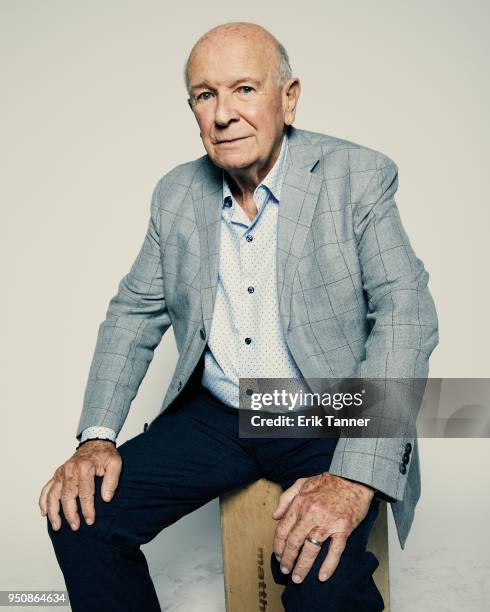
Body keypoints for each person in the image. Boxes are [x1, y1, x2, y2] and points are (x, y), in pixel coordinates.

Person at [39, 21, 438, 612]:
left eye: (245, 89)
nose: (224, 113)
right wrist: (97, 436)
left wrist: (356, 477)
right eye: (206, 95)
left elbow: (407, 316)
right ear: (194, 109)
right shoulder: (175, 193)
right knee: (82, 517)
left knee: (318, 578)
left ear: (289, 97)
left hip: (324, 409)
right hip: (219, 414)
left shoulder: (357, 176)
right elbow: (132, 314)